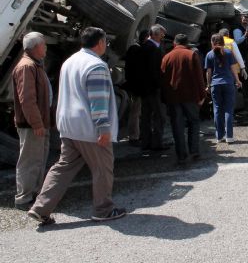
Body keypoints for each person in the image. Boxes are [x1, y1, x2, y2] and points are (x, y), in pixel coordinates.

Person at [28, 27, 126, 225]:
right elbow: (97, 100)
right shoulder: (96, 66)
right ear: (100, 43)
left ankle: (41, 208)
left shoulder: (70, 62)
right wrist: (103, 127)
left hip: (68, 125)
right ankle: (103, 209)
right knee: (102, 168)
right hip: (88, 128)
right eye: (105, 42)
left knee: (63, 167)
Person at [12, 32, 52, 211]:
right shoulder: (27, 67)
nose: (46, 47)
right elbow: (27, 99)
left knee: (37, 159)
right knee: (29, 160)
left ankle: (33, 194)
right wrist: (36, 124)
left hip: (38, 123)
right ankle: (24, 198)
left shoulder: (34, 65)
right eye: (44, 44)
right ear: (35, 47)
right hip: (31, 125)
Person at [161, 34, 206, 164]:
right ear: (186, 43)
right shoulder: (191, 55)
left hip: (173, 98)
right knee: (194, 122)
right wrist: (202, 95)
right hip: (190, 97)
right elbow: (199, 77)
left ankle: (181, 155)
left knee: (177, 126)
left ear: (174, 43)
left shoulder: (166, 57)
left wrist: (165, 98)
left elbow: (163, 80)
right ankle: (194, 151)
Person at [205, 34, 242, 143]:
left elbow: (208, 72)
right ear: (223, 42)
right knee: (228, 110)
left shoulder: (209, 55)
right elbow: (233, 68)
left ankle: (219, 136)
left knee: (217, 110)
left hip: (215, 85)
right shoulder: (228, 53)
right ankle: (229, 136)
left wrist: (208, 84)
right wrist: (238, 80)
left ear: (212, 42)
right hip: (228, 83)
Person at [139, 24, 168, 151]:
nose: (163, 36)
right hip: (154, 89)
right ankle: (157, 143)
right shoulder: (153, 49)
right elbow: (155, 71)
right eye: (162, 34)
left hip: (144, 89)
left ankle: (145, 142)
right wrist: (160, 86)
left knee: (145, 116)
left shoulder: (144, 46)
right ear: (155, 34)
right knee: (159, 116)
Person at [124, 29, 150, 146]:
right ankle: (134, 136)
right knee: (135, 111)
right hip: (137, 87)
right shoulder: (137, 49)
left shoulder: (134, 48)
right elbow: (139, 71)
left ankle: (136, 135)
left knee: (136, 111)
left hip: (134, 86)